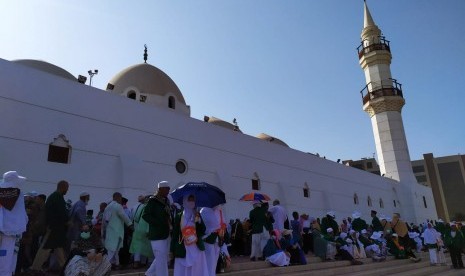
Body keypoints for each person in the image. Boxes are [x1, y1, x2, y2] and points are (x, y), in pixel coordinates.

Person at [31, 180, 70, 272]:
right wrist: (67, 221)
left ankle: (65, 268)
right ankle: (35, 268)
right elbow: (62, 212)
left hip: (55, 228)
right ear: (63, 187)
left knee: (58, 248)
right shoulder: (57, 197)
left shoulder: (54, 196)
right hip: (54, 228)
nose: (67, 190)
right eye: (67, 188)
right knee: (46, 247)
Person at [171, 194, 208, 276]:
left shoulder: (197, 214)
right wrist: (172, 249)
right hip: (183, 247)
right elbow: (175, 233)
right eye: (190, 200)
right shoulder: (179, 216)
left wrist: (199, 222)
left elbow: (203, 230)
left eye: (193, 200)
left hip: (195, 246)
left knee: (196, 269)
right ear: (184, 201)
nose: (192, 202)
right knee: (183, 269)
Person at [0, 171, 28, 276]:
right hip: (11, 233)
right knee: (7, 259)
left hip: (3, 230)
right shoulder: (18, 193)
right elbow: (22, 215)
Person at [143, 181, 172, 276]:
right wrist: (158, 223)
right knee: (161, 260)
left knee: (163, 258)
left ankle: (149, 273)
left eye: (169, 188)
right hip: (156, 234)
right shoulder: (153, 201)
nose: (168, 190)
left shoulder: (166, 201)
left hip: (166, 233)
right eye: (166, 188)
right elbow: (145, 215)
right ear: (160, 189)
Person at [102, 192, 133, 269]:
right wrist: (130, 225)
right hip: (117, 232)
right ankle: (105, 266)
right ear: (118, 197)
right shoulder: (118, 206)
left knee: (114, 249)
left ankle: (115, 264)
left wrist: (104, 230)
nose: (121, 200)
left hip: (110, 231)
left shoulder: (108, 207)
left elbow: (105, 220)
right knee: (113, 250)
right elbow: (124, 216)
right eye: (120, 198)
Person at [200, 204, 227, 276]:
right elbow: (203, 226)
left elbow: (223, 223)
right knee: (208, 260)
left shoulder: (219, 211)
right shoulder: (204, 211)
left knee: (214, 261)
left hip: (217, 239)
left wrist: (221, 229)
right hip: (208, 239)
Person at [129, 195, 153, 269]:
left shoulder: (140, 207)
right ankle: (148, 263)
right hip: (149, 229)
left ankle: (136, 262)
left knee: (138, 246)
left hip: (139, 229)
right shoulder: (152, 208)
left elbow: (135, 218)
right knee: (148, 246)